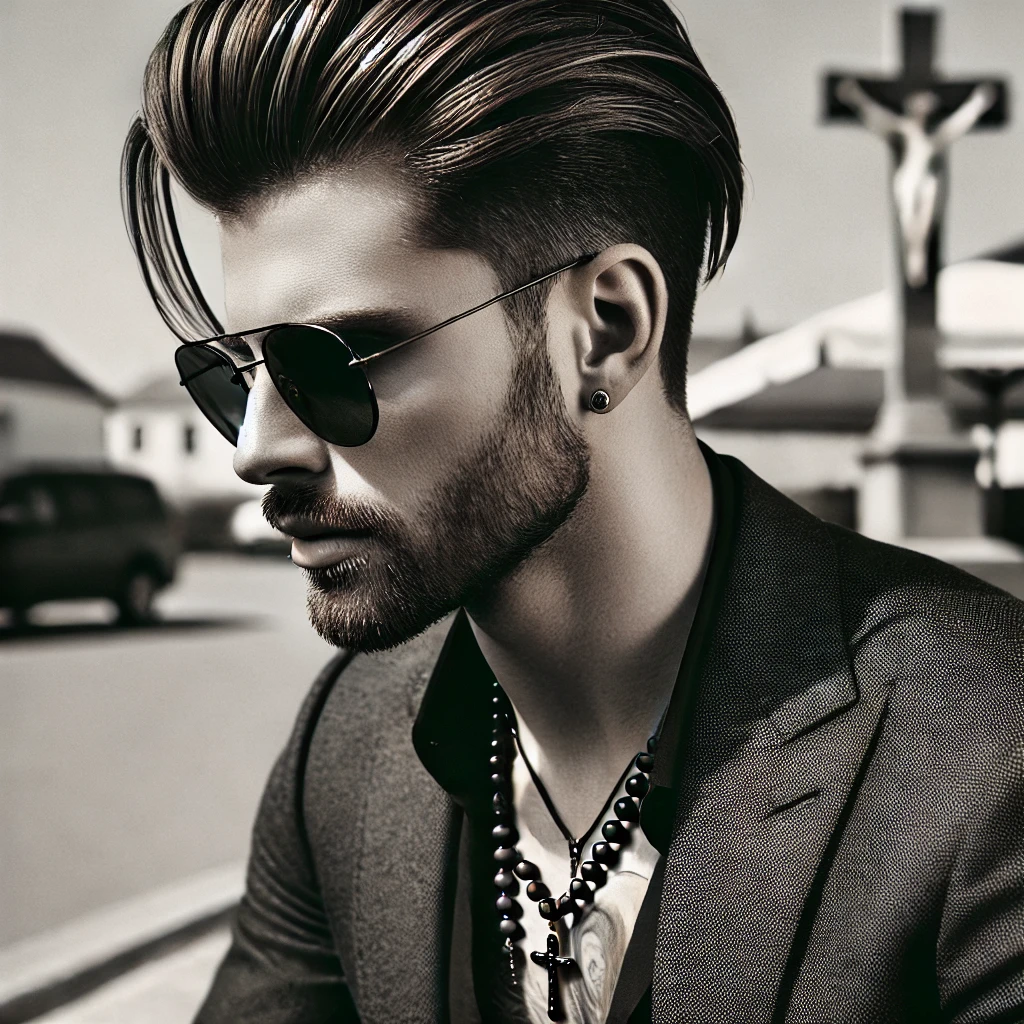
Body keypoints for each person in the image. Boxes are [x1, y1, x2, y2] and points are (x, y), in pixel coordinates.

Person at [122, 2, 1024, 1021]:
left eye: (329, 364)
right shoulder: (350, 743)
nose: (258, 448)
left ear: (603, 329)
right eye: (235, 373)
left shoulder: (989, 760)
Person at [835, 78, 998, 288]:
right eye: (920, 106)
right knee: (909, 224)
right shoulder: (903, 130)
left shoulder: (936, 135)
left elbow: (961, 121)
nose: (924, 111)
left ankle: (917, 265)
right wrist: (855, 97)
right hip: (908, 180)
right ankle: (913, 265)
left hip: (928, 182)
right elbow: (875, 116)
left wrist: (979, 102)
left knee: (924, 226)